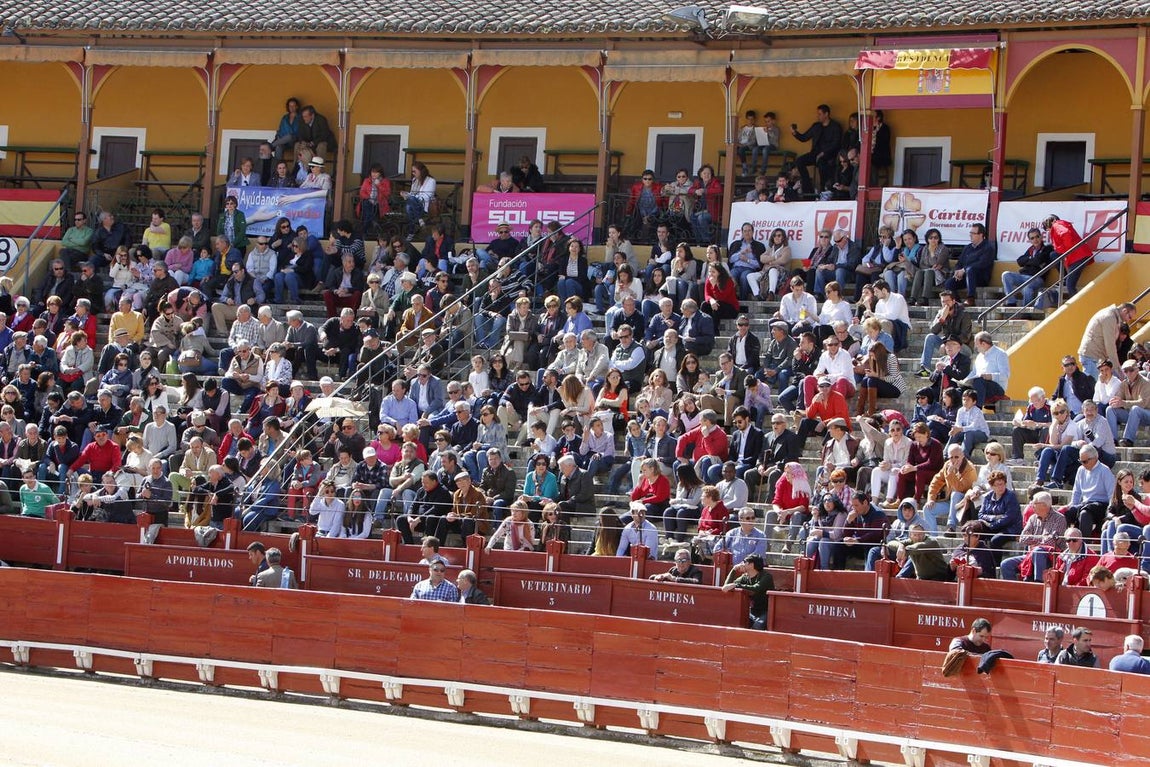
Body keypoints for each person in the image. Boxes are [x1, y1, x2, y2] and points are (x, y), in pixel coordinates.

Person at [790, 104, 842, 195]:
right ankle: (807, 187)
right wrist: (795, 133)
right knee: (799, 161)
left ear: (826, 114)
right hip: (815, 154)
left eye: (820, 114)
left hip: (829, 155)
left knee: (821, 164)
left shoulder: (836, 126)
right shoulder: (816, 126)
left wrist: (823, 153)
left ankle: (823, 190)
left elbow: (836, 144)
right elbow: (804, 137)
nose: (818, 116)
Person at [1078, 302, 1135, 379]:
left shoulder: (1113, 316)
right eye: (1130, 317)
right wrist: (1118, 369)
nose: (1128, 320)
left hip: (1096, 357)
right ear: (1124, 311)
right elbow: (1110, 345)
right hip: (1092, 357)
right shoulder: (1110, 317)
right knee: (1092, 388)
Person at [943, 224, 994, 305]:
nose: (970, 235)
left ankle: (970, 299)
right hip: (965, 277)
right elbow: (959, 262)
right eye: (970, 233)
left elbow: (981, 264)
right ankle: (957, 303)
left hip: (980, 278)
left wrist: (964, 270)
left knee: (971, 270)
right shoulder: (968, 248)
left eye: (973, 233)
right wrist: (957, 271)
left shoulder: (988, 248)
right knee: (949, 283)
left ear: (981, 235)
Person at [721, 554, 773, 629]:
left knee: (757, 626)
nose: (741, 564)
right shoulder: (745, 577)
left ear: (751, 565)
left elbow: (755, 589)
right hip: (751, 611)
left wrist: (736, 585)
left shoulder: (766, 576)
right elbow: (726, 587)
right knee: (737, 623)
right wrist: (733, 570)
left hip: (766, 611)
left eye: (744, 561)